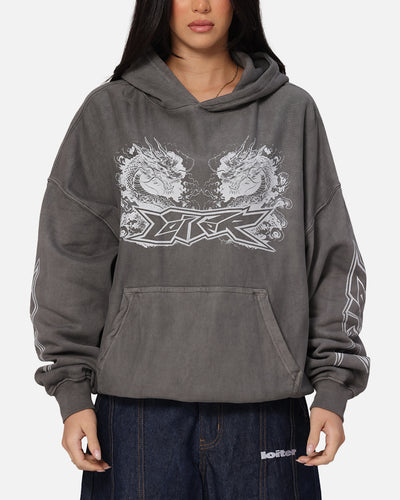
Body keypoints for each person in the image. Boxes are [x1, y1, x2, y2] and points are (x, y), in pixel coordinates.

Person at [29, 0, 370, 498]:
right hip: (136, 413)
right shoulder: (108, 111)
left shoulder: (291, 111)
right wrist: (72, 390)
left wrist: (333, 389)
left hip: (266, 407)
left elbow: (331, 255)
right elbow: (70, 255)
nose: (201, 4)